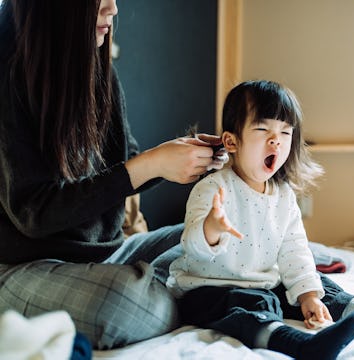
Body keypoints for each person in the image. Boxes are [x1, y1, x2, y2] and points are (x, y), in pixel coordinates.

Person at [167, 80, 354, 359]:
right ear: (232, 141)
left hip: (264, 281)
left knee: (315, 284)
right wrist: (211, 229)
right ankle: (301, 345)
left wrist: (308, 296)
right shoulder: (214, 188)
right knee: (248, 304)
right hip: (208, 289)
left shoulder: (283, 194)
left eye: (285, 132)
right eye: (263, 128)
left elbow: (294, 249)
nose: (275, 139)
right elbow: (192, 246)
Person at [0, 0, 224, 350]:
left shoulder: (94, 63)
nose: (113, 9)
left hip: (103, 255)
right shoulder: (8, 69)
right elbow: (35, 213)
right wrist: (150, 165)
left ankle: (179, 287)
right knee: (119, 303)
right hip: (22, 269)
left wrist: (178, 157)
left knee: (222, 234)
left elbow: (125, 162)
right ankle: (195, 291)